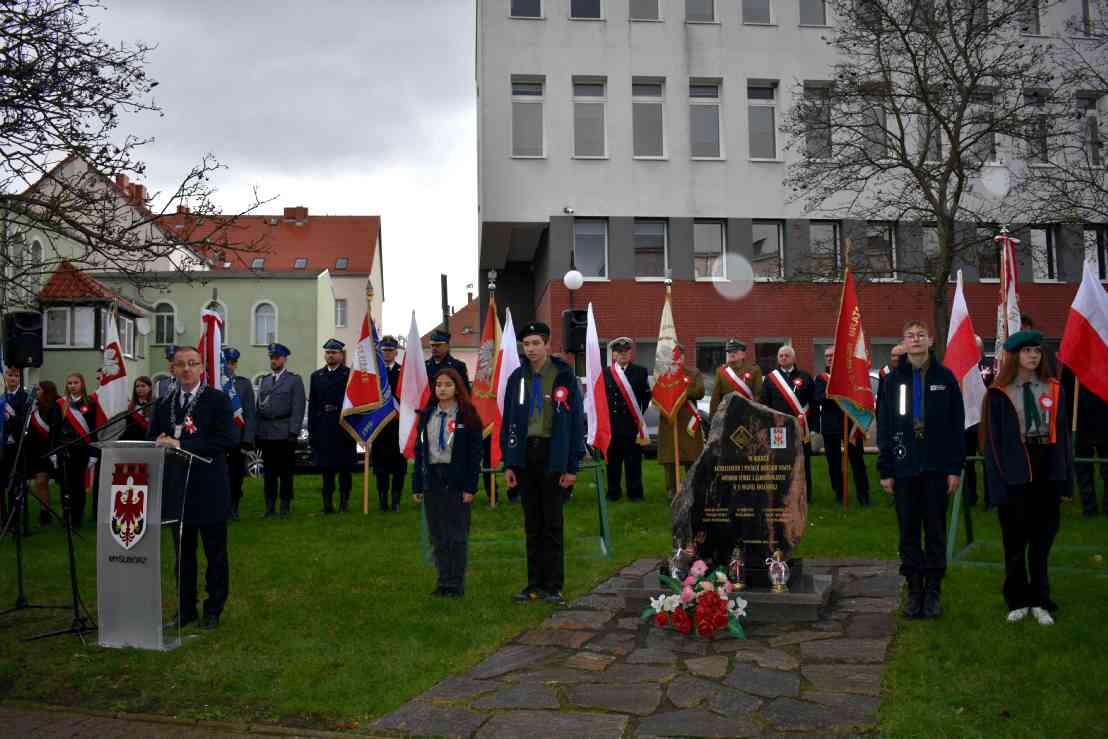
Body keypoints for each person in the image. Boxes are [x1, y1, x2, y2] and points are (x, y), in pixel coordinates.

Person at [982, 330, 1074, 625]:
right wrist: (997, 487)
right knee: (1014, 540)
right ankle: (1017, 598)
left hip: (1046, 467)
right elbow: (992, 444)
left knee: (1042, 539)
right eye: (1027, 351)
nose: (1033, 356)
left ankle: (1040, 599)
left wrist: (1064, 481)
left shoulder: (1053, 388)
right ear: (1014, 356)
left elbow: (1064, 442)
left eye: (1037, 351)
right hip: (1015, 470)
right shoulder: (999, 392)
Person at [877, 320, 964, 619]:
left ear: (930, 340)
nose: (915, 340)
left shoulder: (945, 378)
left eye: (920, 335)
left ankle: (933, 590)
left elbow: (956, 426)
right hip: (904, 466)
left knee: (936, 530)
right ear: (903, 342)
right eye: (909, 335)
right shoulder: (891, 381)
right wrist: (885, 469)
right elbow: (885, 426)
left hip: (937, 466)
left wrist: (955, 467)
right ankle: (915, 589)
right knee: (909, 530)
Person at [149, 345, 236, 630]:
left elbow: (226, 440)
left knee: (215, 555)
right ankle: (185, 609)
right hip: (177, 489)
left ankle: (213, 609)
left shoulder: (217, 400)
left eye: (192, 363)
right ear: (172, 369)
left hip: (209, 488)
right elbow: (154, 437)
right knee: (182, 556)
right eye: (180, 364)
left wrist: (182, 445)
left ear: (202, 368)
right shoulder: (164, 403)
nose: (186, 369)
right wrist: (159, 442)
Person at [500, 321, 585, 606]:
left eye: (537, 343)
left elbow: (574, 424)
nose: (532, 349)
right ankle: (533, 584)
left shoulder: (563, 376)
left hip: (553, 455)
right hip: (526, 456)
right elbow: (509, 420)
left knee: (552, 523)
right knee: (532, 524)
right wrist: (510, 464)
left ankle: (553, 585)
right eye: (527, 344)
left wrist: (571, 467)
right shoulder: (517, 378)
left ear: (547, 345)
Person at [412, 368, 482, 597]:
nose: (442, 389)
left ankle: (455, 584)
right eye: (439, 385)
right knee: (438, 535)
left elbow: (474, 455)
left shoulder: (466, 415)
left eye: (447, 385)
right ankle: (443, 582)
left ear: (457, 388)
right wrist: (417, 484)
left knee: (457, 534)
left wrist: (470, 487)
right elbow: (420, 451)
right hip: (433, 477)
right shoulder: (427, 414)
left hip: (457, 479)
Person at [814, 345, 870, 506]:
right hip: (831, 425)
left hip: (851, 423)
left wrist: (833, 394)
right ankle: (839, 493)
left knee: (857, 460)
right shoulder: (821, 378)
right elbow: (820, 398)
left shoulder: (851, 376)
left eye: (832, 355)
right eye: (827, 356)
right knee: (833, 462)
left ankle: (863, 494)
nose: (830, 358)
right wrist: (840, 394)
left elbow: (859, 395)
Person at [255, 342, 306, 518]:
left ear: (284, 359)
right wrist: (257, 433)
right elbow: (259, 409)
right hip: (267, 433)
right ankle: (269, 506)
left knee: (285, 472)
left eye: (276, 358)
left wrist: (293, 432)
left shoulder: (294, 380)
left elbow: (298, 408)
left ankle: (284, 505)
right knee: (268, 473)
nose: (274, 361)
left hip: (285, 433)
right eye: (271, 358)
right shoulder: (265, 380)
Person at [761, 345, 815, 503]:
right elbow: (764, 404)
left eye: (787, 355)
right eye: (781, 355)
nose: (783, 358)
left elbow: (812, 403)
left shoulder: (805, 377)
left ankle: (806, 496)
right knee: (780, 463)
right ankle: (781, 496)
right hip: (778, 430)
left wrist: (813, 428)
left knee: (803, 463)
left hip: (801, 428)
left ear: (794, 358)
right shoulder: (770, 378)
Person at [308, 339, 357, 514]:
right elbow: (312, 405)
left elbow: (355, 404)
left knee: (344, 469)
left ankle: (344, 502)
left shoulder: (349, 375)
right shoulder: (316, 376)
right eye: (328, 352)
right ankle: (327, 504)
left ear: (341, 355)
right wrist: (312, 431)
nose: (330, 355)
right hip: (323, 428)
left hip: (343, 427)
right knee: (326, 469)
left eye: (334, 352)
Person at [603, 337, 651, 502]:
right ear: (613, 354)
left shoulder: (640, 371)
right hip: (613, 424)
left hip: (632, 424)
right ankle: (613, 492)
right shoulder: (606, 373)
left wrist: (638, 415)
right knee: (613, 462)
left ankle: (635, 492)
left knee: (633, 462)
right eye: (619, 352)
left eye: (626, 351)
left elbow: (646, 396)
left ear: (630, 353)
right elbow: (602, 398)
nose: (623, 355)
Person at [657, 344, 705, 500]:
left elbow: (699, 392)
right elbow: (656, 395)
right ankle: (672, 491)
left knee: (692, 458)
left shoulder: (693, 373)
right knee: (670, 460)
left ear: (683, 357)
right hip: (669, 422)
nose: (676, 360)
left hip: (688, 422)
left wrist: (678, 390)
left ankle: (692, 489)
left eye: (679, 356)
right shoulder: (663, 373)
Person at [56, 372, 100, 528]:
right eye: (69, 383)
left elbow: (94, 429)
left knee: (78, 485)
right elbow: (56, 429)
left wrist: (94, 453)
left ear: (82, 384)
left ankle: (76, 519)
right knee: (65, 485)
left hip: (82, 450)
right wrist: (55, 452)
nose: (72, 386)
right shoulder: (61, 403)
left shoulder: (91, 403)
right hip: (64, 448)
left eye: (75, 382)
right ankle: (66, 516)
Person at [372, 335, 407, 512]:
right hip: (379, 427)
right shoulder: (375, 375)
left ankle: (396, 500)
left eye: (390, 350)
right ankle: (382, 500)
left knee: (399, 467)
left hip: (398, 426)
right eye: (384, 350)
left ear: (396, 352)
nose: (387, 353)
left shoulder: (403, 373)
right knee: (381, 468)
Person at [222, 347, 256, 520]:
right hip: (217, 439)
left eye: (232, 362)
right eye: (226, 362)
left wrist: (247, 440)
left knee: (235, 477)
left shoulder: (243, 384)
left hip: (236, 438)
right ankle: (219, 508)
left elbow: (250, 413)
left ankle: (234, 507)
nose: (229, 366)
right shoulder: (213, 382)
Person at [962, 336, 992, 509]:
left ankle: (990, 498)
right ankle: (969, 496)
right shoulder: (962, 366)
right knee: (967, 461)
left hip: (985, 420)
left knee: (988, 461)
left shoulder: (989, 366)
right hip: (966, 420)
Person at [27, 381, 61, 527]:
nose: (36, 392)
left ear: (46, 391)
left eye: (39, 389)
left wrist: (53, 451)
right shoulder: (34, 406)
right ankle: (43, 511)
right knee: (38, 483)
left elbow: (54, 429)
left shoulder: (54, 407)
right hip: (32, 449)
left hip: (47, 450)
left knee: (42, 481)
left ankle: (45, 513)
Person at [1, 366, 31, 532]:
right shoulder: (1, 396)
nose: (12, 378)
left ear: (20, 378)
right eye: (9, 375)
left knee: (15, 486)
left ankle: (15, 522)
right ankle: (2, 520)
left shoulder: (26, 398)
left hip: (16, 448)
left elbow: (23, 424)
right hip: (1, 446)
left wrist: (9, 418)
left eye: (16, 376)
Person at [709, 338, 763, 420]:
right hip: (727, 416)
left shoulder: (754, 370)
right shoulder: (721, 371)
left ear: (743, 354)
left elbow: (758, 394)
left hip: (748, 415)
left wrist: (755, 414)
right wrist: (713, 417)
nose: (731, 354)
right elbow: (715, 397)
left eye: (735, 351)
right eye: (729, 352)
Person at [121, 376, 154, 441]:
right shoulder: (129, 406)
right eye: (137, 386)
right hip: (130, 440)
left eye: (143, 386)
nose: (139, 388)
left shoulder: (155, 405)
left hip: (147, 441)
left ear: (150, 388)